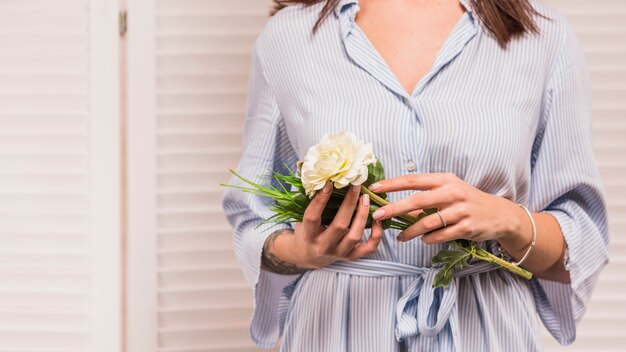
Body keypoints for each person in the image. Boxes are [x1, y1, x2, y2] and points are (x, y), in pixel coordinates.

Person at [221, 0, 610, 350]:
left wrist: (507, 219)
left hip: (487, 331)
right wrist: (301, 251)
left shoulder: (545, 37)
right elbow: (253, 217)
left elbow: (580, 240)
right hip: (334, 329)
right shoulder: (289, 37)